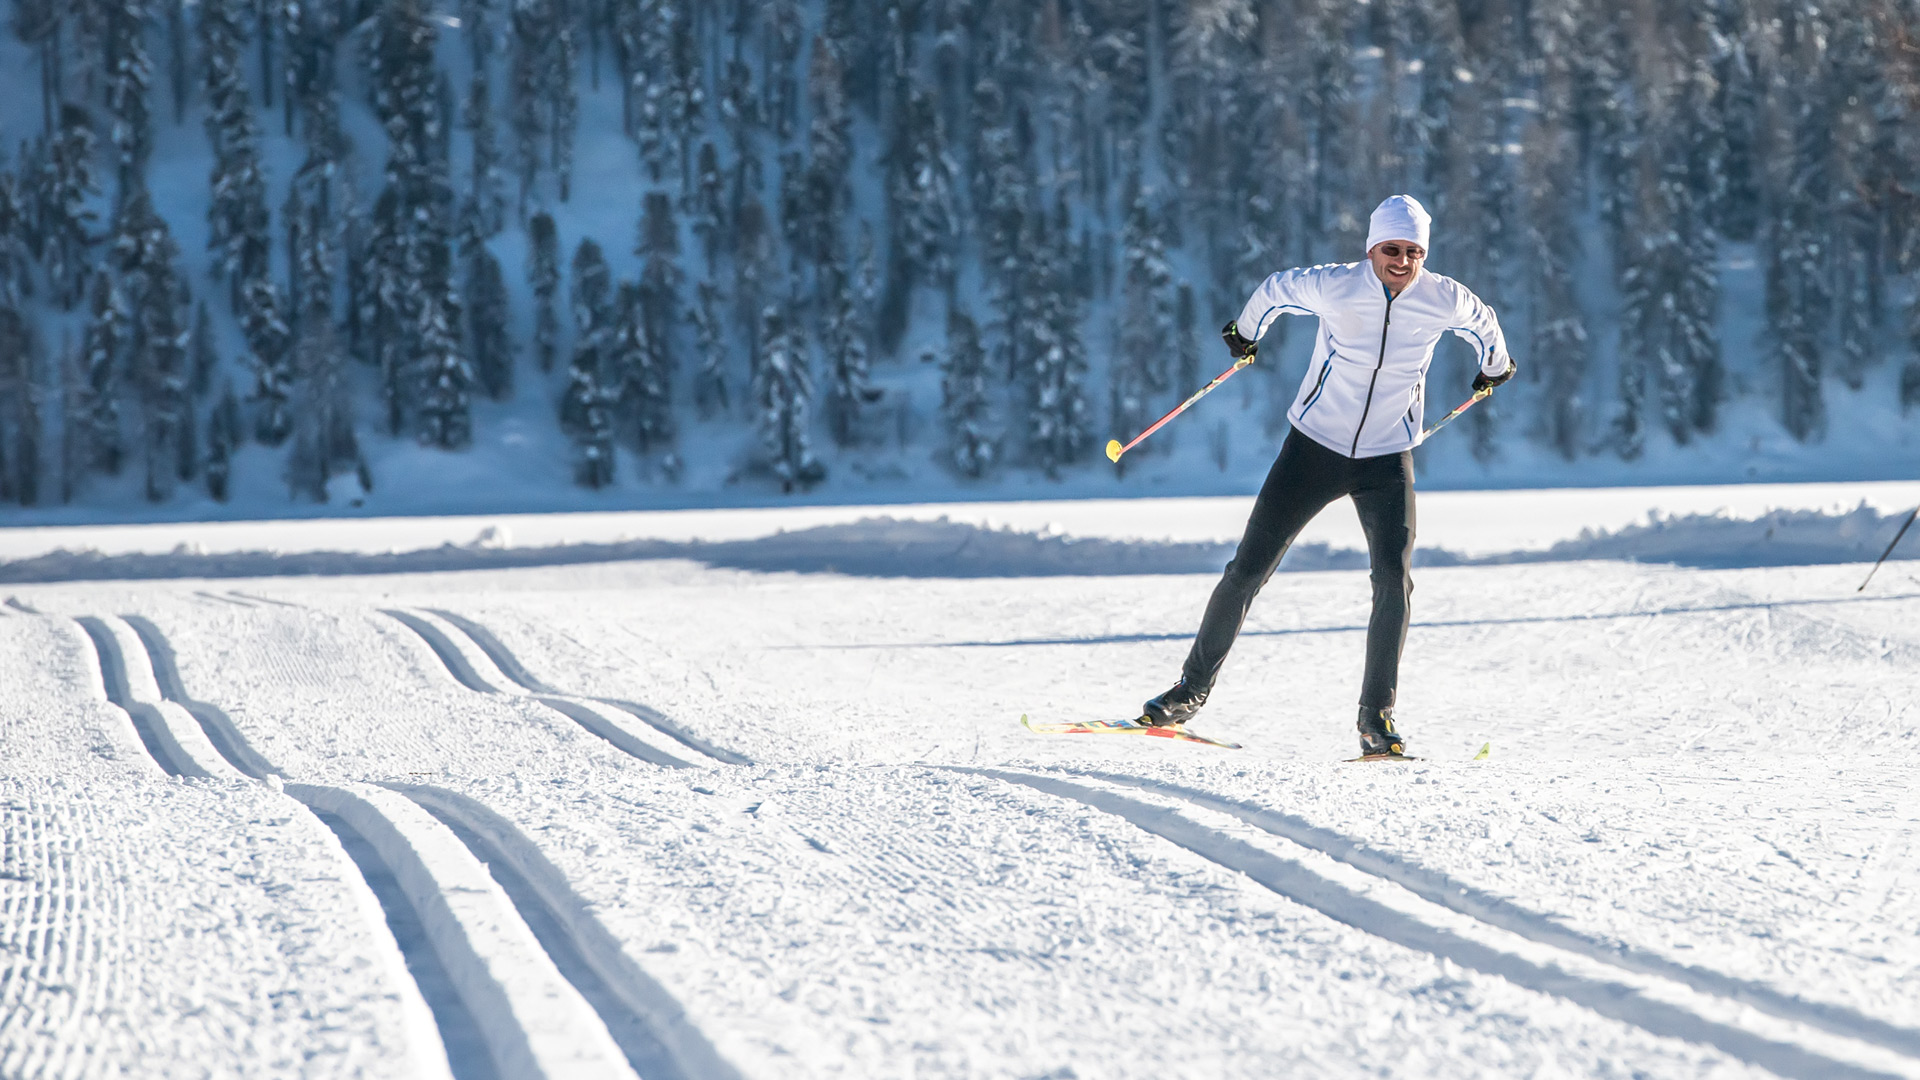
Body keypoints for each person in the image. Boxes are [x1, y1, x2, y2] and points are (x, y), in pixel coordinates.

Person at [1140, 194, 1515, 757]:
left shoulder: (1443, 297)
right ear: (1371, 248)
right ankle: (1189, 693)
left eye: (1414, 252)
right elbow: (1275, 289)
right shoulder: (1336, 285)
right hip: (1313, 449)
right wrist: (1246, 334)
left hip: (1388, 458)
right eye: (1392, 249)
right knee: (1247, 570)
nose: (1403, 261)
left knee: (1394, 579)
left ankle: (1376, 718)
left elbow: (1483, 323)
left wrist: (1494, 368)